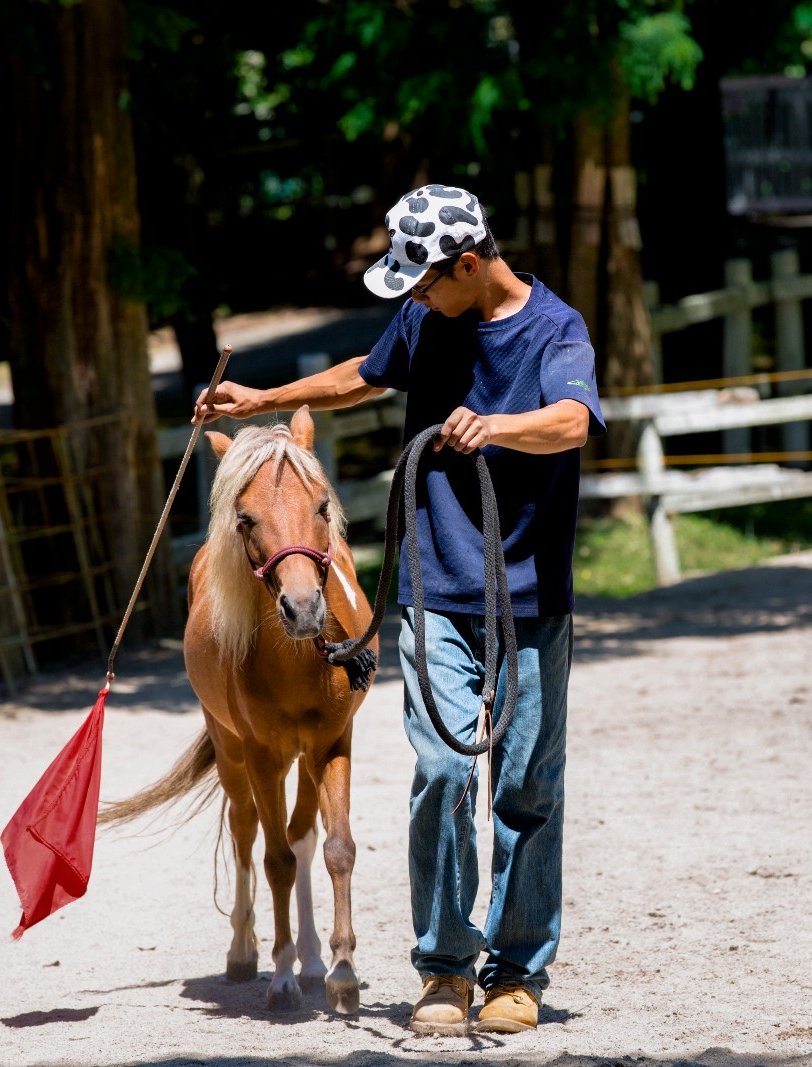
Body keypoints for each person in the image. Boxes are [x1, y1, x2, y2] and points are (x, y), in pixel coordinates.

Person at [194, 182, 604, 1036]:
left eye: (423, 282)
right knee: (445, 773)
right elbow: (361, 377)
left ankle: (517, 970)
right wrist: (261, 400)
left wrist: (497, 427)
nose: (413, 300)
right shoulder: (427, 317)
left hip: (531, 596)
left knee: (526, 785)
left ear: (467, 262)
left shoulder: (555, 329)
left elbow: (572, 420)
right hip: (433, 589)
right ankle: (446, 971)